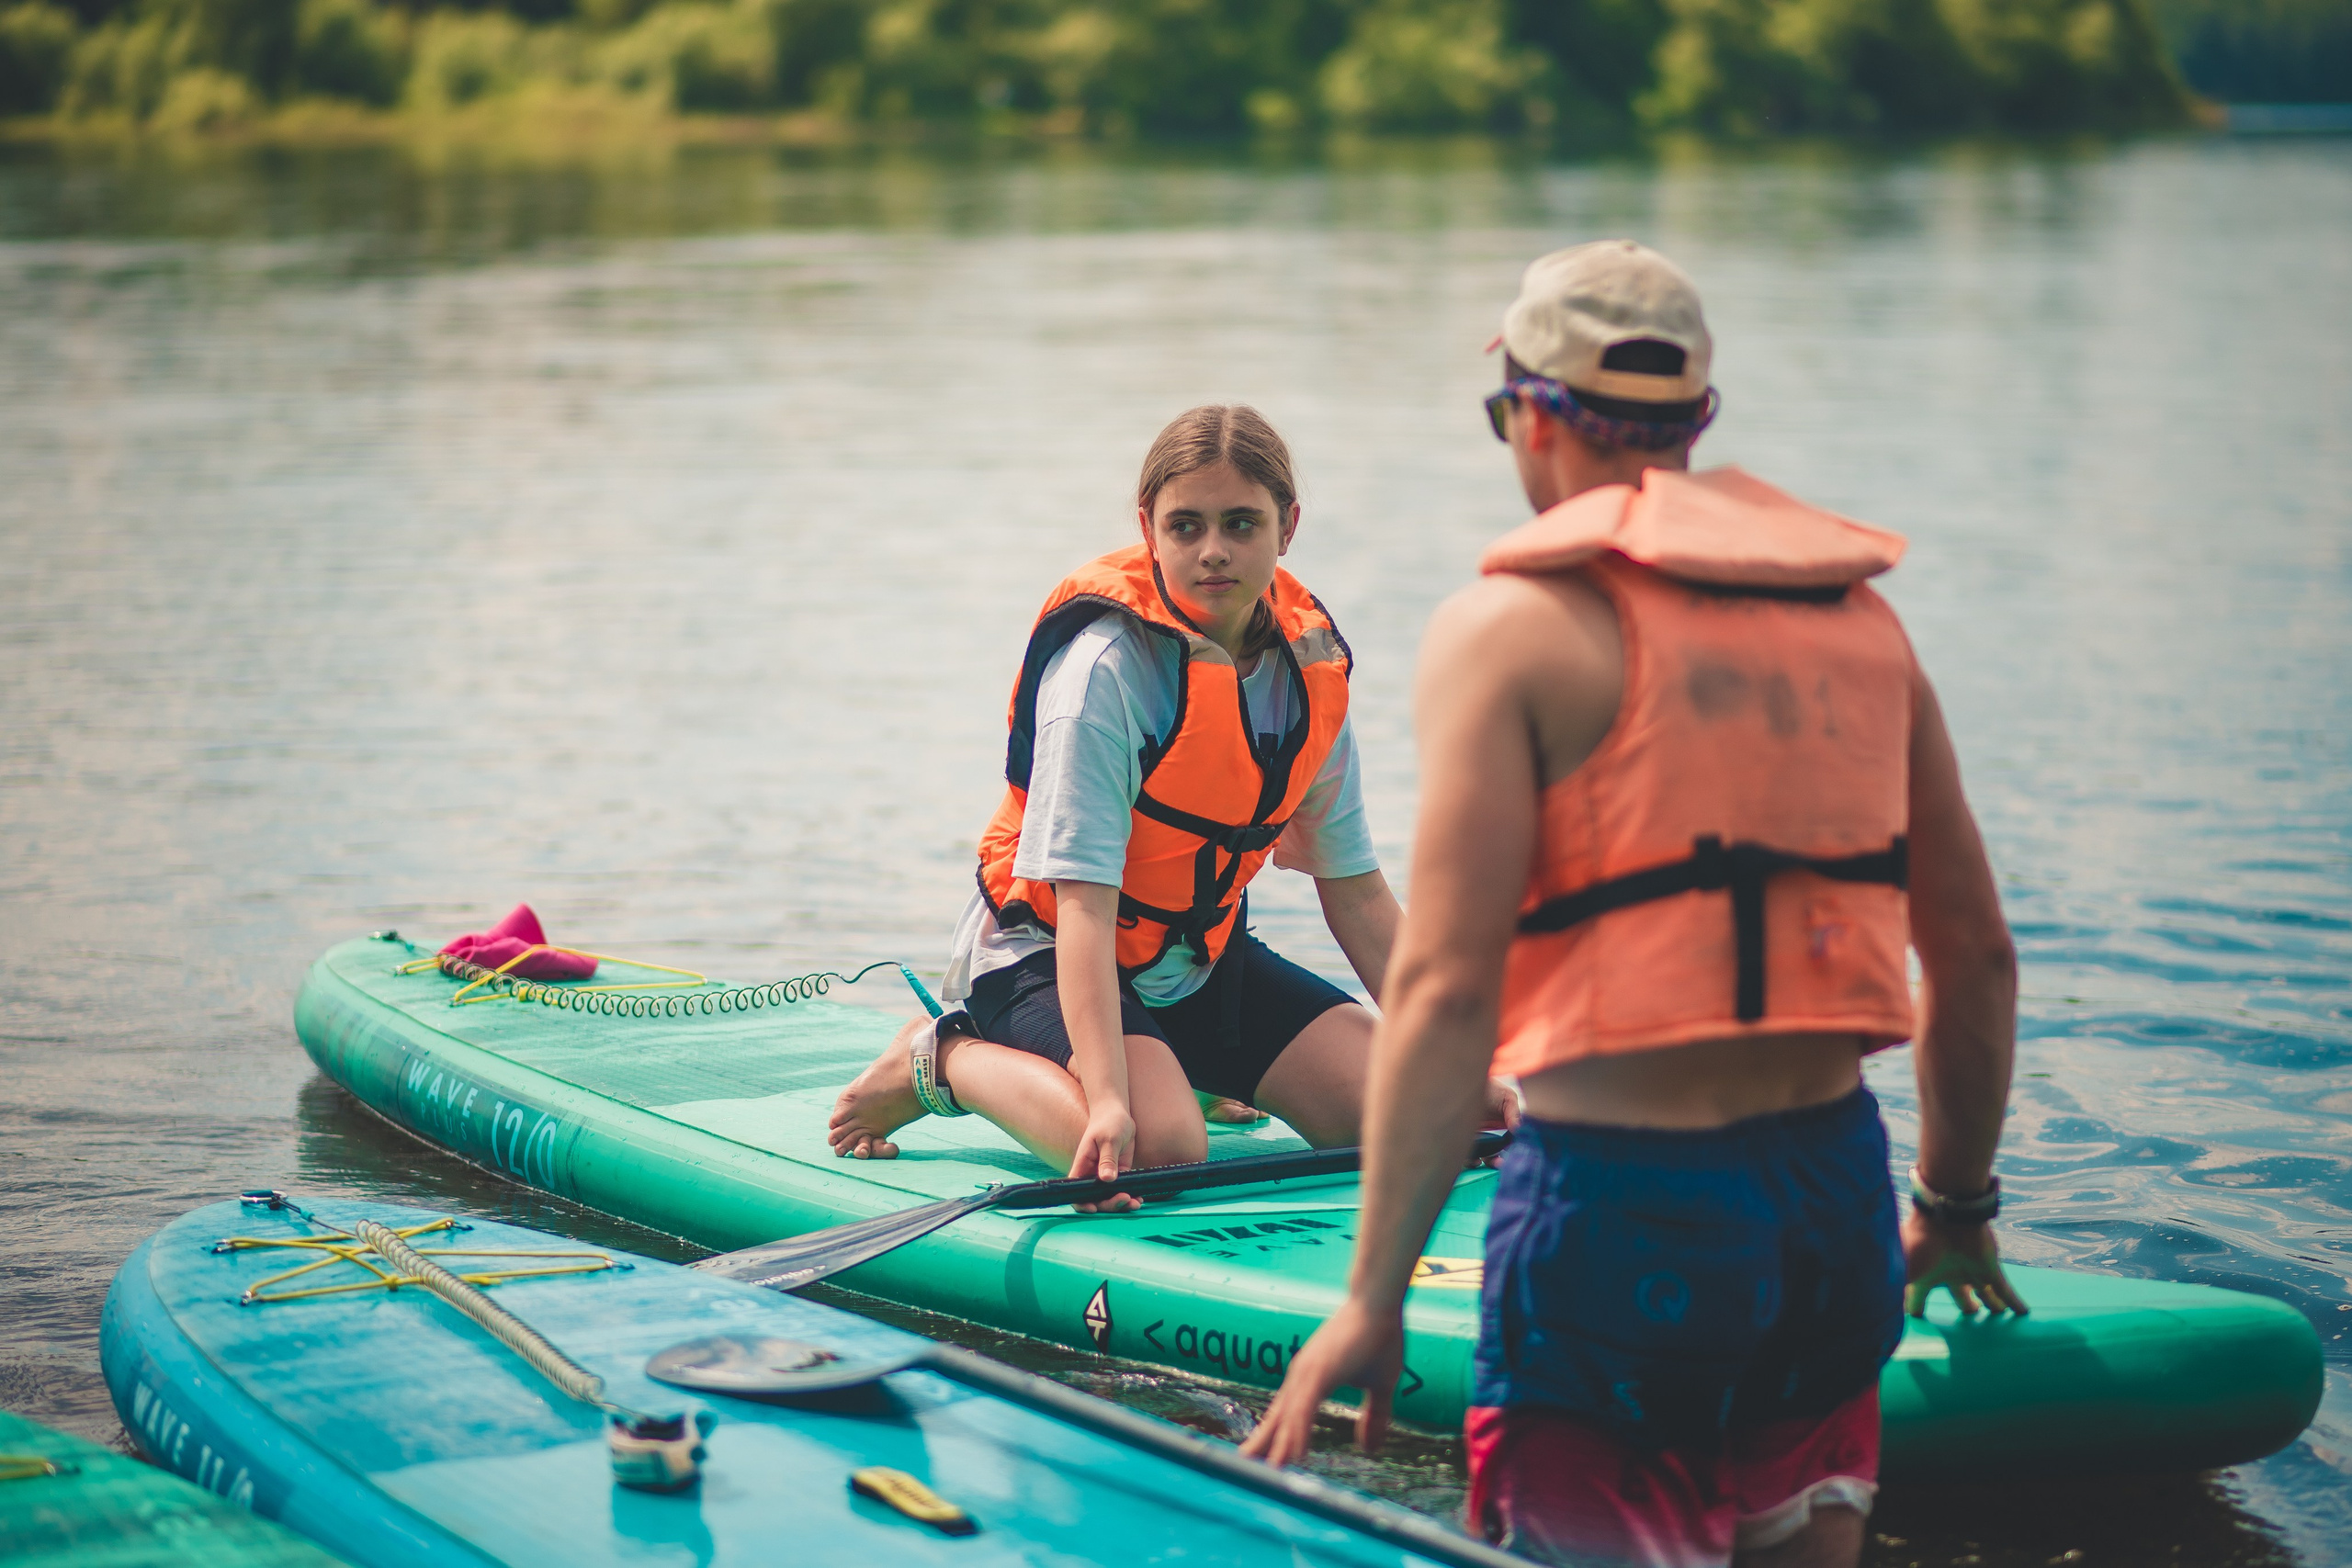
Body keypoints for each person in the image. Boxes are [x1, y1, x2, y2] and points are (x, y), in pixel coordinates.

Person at [1241, 242, 2026, 1568]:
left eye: (1505, 418)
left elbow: (1441, 988)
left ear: (1534, 413)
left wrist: (1371, 1295)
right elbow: (1977, 957)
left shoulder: (1512, 630)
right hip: (1835, 1198)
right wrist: (1954, 1204)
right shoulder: (1864, 623)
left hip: (1624, 1220)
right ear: (1696, 421)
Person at [828, 404, 1510, 1201]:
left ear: (1287, 527)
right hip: (1046, 953)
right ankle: (944, 1059)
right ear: (1148, 527)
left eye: (1241, 523)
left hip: (1193, 961)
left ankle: (1186, 1067)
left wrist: (1461, 1068)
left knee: (1435, 1116)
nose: (1213, 550)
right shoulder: (1103, 672)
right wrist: (1109, 1100)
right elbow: (1083, 905)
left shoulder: (1309, 668)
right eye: (1185, 525)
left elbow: (1357, 894)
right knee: (1156, 1152)